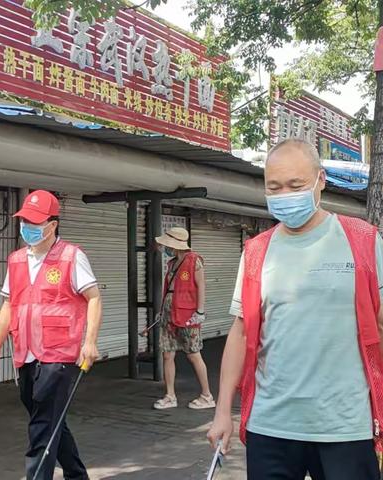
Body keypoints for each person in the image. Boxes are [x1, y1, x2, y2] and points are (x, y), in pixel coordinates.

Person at [207, 139, 383, 480]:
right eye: (274, 187)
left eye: (295, 185)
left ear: (320, 180)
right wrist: (222, 412)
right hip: (271, 424)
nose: (285, 195)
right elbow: (240, 333)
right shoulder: (256, 251)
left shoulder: (364, 241)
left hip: (344, 427)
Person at [0, 190, 102, 480]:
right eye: (25, 221)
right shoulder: (16, 260)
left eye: (35, 223)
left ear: (52, 224)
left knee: (41, 427)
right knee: (49, 421)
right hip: (25, 352)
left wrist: (90, 342)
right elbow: (8, 305)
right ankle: (77, 475)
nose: (28, 228)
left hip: (59, 354)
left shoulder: (72, 256)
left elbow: (94, 298)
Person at [152, 226, 215, 410]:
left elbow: (201, 286)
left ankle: (207, 395)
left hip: (188, 314)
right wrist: (163, 310)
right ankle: (170, 395)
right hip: (169, 313)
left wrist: (200, 312)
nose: (165, 248)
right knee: (167, 353)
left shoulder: (194, 260)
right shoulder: (172, 263)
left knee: (193, 354)